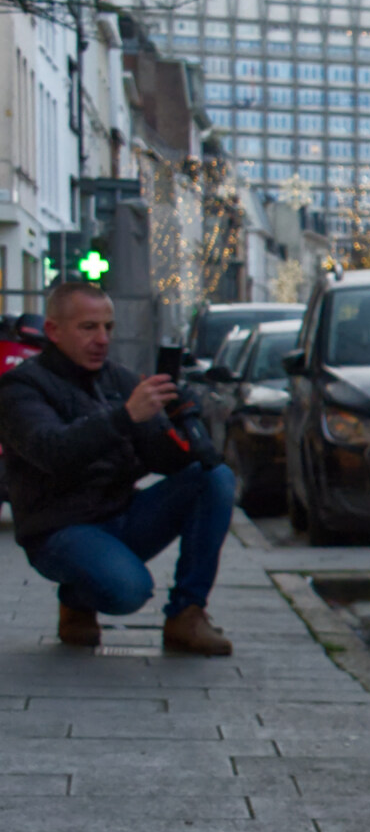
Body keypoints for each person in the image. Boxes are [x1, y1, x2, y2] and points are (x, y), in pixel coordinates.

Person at [0, 278, 235, 654]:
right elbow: (52, 451)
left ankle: (187, 615)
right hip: (59, 529)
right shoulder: (21, 388)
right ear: (53, 331)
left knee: (214, 479)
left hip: (120, 515)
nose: (102, 339)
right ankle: (78, 598)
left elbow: (164, 461)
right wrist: (125, 417)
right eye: (88, 327)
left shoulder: (119, 380)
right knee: (128, 591)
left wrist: (182, 422)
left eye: (108, 327)